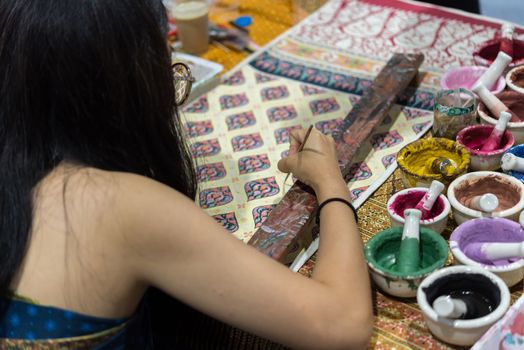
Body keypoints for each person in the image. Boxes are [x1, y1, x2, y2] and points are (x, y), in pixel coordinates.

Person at [0, 0, 373, 348]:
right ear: (122, 86)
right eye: (166, 62)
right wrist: (330, 181)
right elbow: (343, 325)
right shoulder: (115, 203)